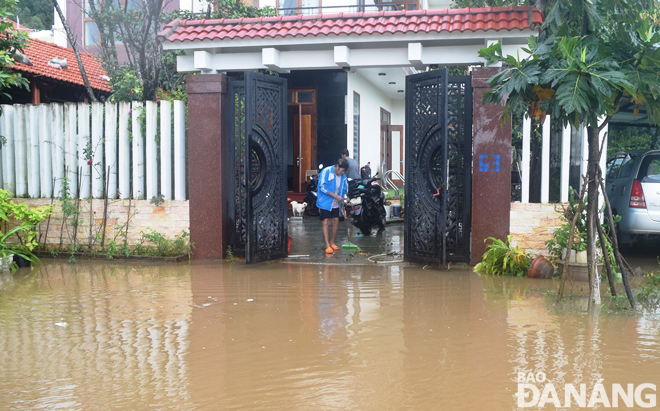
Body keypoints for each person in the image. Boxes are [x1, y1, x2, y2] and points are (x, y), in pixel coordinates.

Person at [317, 158, 349, 254]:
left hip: (337, 202)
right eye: (342, 170)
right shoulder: (326, 171)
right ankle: (327, 245)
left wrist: (343, 206)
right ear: (337, 166)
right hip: (325, 201)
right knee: (325, 221)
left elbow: (344, 190)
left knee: (335, 221)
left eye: (344, 171)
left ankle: (332, 242)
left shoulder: (343, 177)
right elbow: (322, 186)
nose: (343, 173)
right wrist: (334, 196)